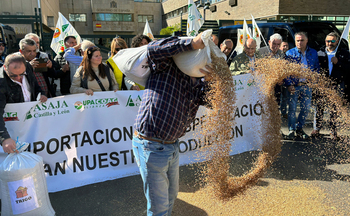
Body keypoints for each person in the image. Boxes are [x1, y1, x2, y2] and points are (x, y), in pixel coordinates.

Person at [132, 33, 212, 215]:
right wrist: (192, 43)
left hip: (172, 146)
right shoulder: (165, 66)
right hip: (150, 145)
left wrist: (211, 81)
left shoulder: (196, 81)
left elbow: (212, 102)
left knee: (171, 196)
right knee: (159, 206)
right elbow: (154, 48)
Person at [0, 54, 47, 153]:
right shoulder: (1, 82)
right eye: (13, 75)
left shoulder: (28, 68)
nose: (18, 78)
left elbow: (35, 85)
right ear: (5, 67)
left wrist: (41, 93)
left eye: (22, 74)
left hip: (31, 122)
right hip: (12, 125)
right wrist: (4, 138)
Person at [311, 32, 350, 140]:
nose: (330, 43)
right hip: (323, 85)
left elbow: (348, 68)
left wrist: (338, 62)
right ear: (325, 41)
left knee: (334, 109)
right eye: (328, 41)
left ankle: (333, 131)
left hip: (337, 85)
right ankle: (316, 129)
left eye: (332, 41)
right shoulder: (319, 53)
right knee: (319, 107)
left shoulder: (344, 53)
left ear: (337, 41)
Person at [285, 32, 320, 140]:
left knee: (305, 109)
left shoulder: (313, 53)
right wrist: (289, 84)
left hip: (307, 85)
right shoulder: (289, 53)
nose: (299, 42)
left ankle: (299, 128)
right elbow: (285, 71)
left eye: (302, 40)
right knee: (292, 109)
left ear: (307, 40)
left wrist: (314, 81)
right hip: (294, 85)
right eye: (297, 40)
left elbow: (316, 68)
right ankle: (291, 130)